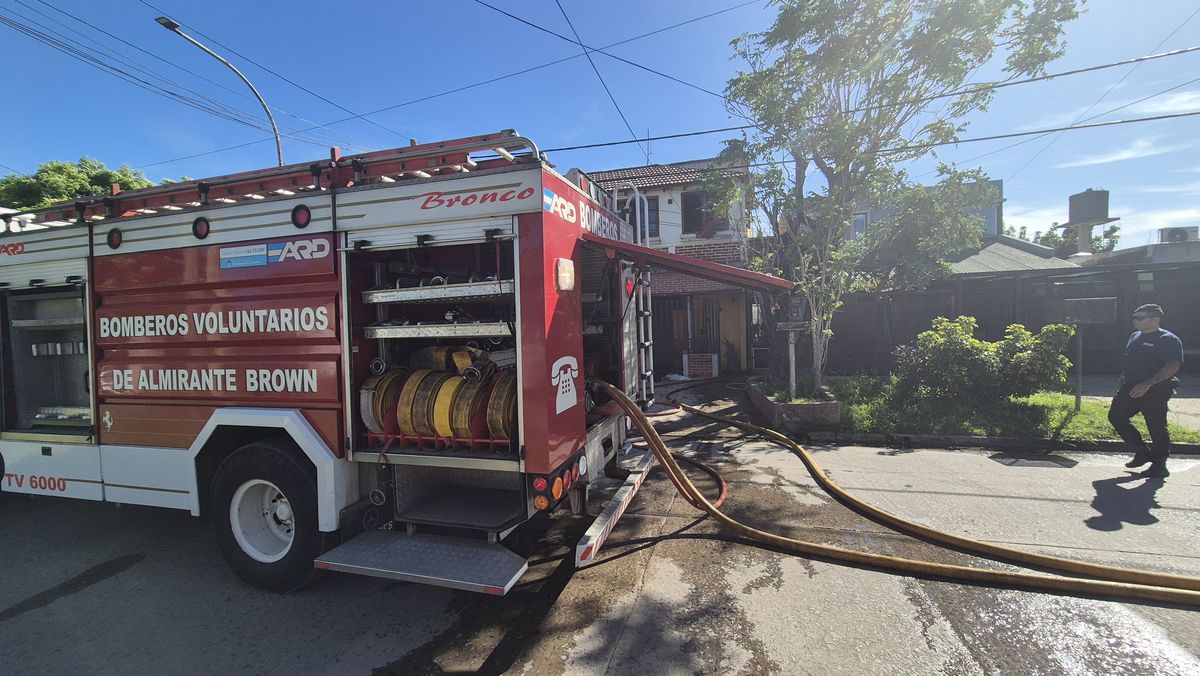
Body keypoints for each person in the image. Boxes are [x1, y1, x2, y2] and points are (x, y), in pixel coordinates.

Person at [1108, 304, 1183, 478]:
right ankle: (1141, 452)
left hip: (1156, 389)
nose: (1135, 321)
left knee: (1156, 426)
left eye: (1140, 318)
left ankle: (1159, 465)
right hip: (1130, 387)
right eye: (1134, 317)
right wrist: (1123, 382)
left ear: (1155, 319)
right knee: (1116, 416)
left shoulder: (1168, 339)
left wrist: (1148, 384)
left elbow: (1173, 366)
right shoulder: (1134, 336)